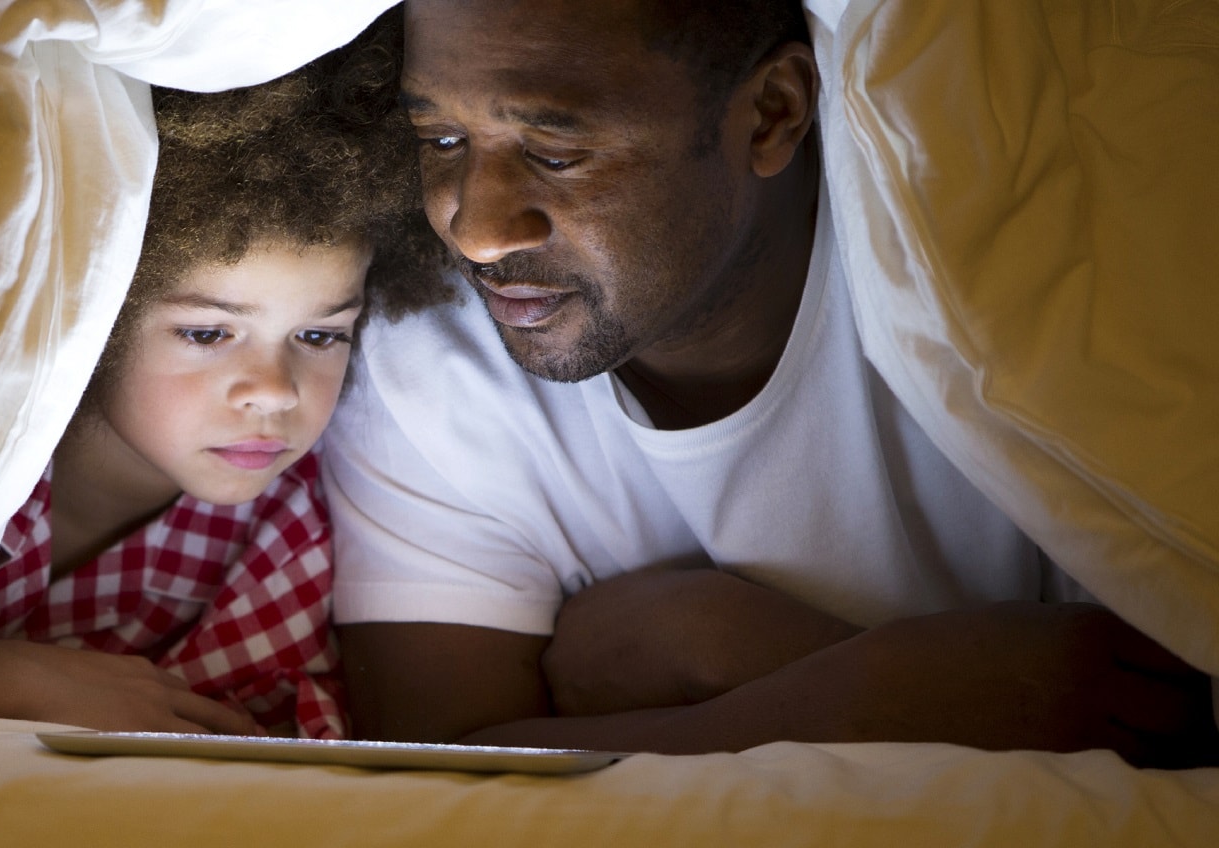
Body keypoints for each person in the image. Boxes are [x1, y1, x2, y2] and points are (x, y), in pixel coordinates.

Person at [322, 0, 1218, 766]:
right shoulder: (424, 353)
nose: (475, 230)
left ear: (771, 116)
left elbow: (1175, 705)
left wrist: (684, 673)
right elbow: (436, 771)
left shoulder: (1017, 286)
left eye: (557, 151)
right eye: (440, 138)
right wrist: (844, 692)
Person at [0, 15, 449, 739]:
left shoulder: (291, 537)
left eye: (319, 334)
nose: (275, 389)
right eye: (207, 332)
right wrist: (7, 681)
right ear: (100, 313)